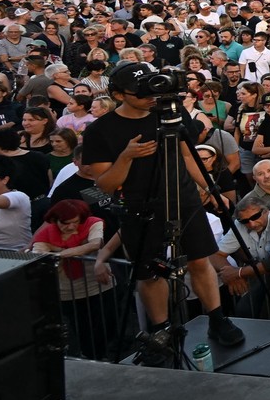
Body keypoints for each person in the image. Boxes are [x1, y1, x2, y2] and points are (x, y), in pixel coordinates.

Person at [81, 62, 244, 360]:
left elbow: (187, 154)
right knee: (149, 272)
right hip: (139, 207)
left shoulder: (169, 111)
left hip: (184, 198)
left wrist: (209, 189)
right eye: (139, 93)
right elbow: (105, 183)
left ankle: (217, 318)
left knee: (199, 261)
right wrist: (127, 157)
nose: (149, 97)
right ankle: (161, 330)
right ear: (118, 95)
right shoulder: (99, 131)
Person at [31, 198, 119, 360]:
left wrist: (58, 254)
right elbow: (39, 254)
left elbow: (94, 244)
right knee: (81, 327)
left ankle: (102, 354)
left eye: (75, 222)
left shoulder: (93, 223)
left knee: (106, 323)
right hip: (68, 291)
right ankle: (90, 356)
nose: (70, 227)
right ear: (54, 220)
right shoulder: (45, 233)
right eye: (65, 223)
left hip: (98, 285)